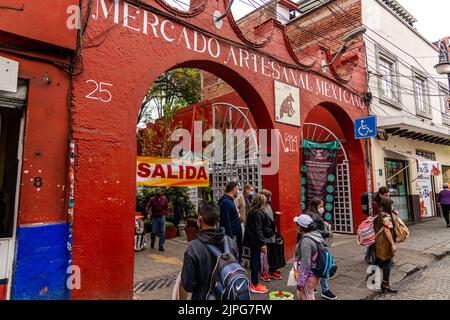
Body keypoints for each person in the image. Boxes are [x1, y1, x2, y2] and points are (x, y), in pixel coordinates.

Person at [181, 202, 238, 300]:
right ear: (218, 219)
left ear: (200, 219)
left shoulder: (193, 248)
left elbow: (188, 285)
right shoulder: (230, 242)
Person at [303, 198, 337, 300]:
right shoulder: (316, 217)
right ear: (315, 206)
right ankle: (325, 290)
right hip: (317, 244)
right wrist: (327, 232)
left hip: (310, 244)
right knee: (324, 265)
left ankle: (310, 286)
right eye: (320, 206)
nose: (322, 208)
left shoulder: (307, 214)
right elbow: (317, 231)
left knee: (310, 265)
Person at [243, 193, 269, 294]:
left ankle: (255, 283)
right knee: (255, 262)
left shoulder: (252, 211)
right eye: (265, 200)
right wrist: (263, 244)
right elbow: (258, 230)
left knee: (255, 261)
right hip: (256, 242)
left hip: (252, 240)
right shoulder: (257, 213)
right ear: (262, 201)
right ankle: (254, 284)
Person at [293, 214, 323, 300]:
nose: (297, 226)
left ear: (301, 227)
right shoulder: (316, 235)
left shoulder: (306, 241)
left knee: (307, 296)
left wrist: (300, 282)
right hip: (315, 273)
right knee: (309, 295)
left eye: (297, 224)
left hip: (309, 275)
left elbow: (306, 263)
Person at [372, 197, 398, 293]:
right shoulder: (386, 216)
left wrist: (395, 214)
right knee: (387, 261)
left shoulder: (379, 213)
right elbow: (387, 230)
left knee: (378, 260)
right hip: (385, 241)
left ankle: (372, 277)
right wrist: (392, 244)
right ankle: (385, 284)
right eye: (391, 205)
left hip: (379, 241)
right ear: (388, 205)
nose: (393, 206)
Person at [260, 189, 283, 281]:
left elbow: (269, 218)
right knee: (264, 255)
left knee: (272, 254)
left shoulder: (268, 206)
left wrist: (274, 214)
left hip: (272, 233)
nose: (270, 199)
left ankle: (271, 270)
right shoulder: (260, 208)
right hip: (266, 235)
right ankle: (264, 272)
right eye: (269, 197)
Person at [219, 181, 243, 262]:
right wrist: (230, 237)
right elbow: (226, 221)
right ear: (233, 189)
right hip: (232, 235)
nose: (238, 191)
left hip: (234, 234)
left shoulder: (230, 200)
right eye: (237, 189)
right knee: (232, 256)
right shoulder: (226, 202)